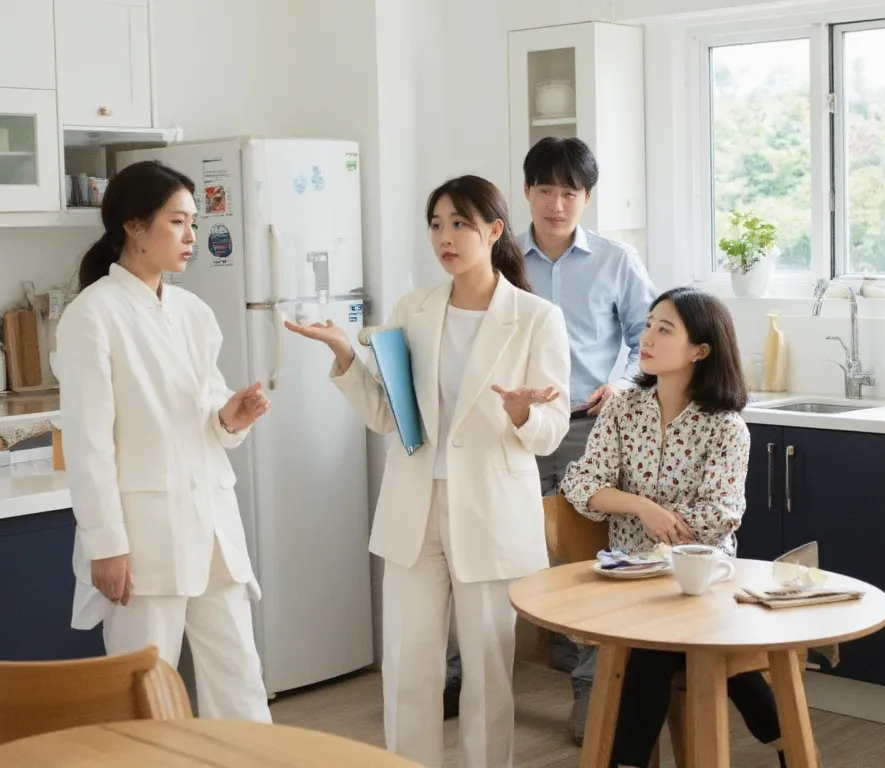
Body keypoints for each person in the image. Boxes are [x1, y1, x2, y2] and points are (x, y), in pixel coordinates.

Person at [285, 175, 571, 768]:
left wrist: (522, 412)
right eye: (436, 224)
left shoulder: (537, 318)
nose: (445, 236)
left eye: (460, 223)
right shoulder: (411, 309)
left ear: (494, 230)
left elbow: (552, 429)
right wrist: (345, 355)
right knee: (408, 668)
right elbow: (390, 416)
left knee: (489, 673)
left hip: (491, 512)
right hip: (415, 510)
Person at [443, 137, 656, 741]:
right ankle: (461, 677)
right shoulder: (499, 256)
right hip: (506, 429)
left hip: (587, 430)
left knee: (589, 560)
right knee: (485, 551)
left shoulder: (616, 260)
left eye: (570, 192)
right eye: (544, 190)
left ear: (586, 198)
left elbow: (649, 335)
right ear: (527, 193)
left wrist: (621, 383)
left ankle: (591, 688)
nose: (556, 203)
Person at [55, 159, 273, 723]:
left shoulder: (194, 313)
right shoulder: (92, 316)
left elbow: (206, 414)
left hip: (213, 529)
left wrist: (230, 417)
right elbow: (89, 445)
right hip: (144, 539)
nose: (191, 238)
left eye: (193, 224)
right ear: (134, 225)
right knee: (144, 694)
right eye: (178, 222)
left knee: (241, 677)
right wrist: (107, 544)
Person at [560, 287, 788, 768]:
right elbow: (580, 483)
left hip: (700, 586)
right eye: (648, 325)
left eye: (665, 330)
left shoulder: (725, 427)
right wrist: (643, 507)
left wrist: (641, 512)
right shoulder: (622, 410)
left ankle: (626, 761)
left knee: (654, 648)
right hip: (628, 581)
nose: (647, 338)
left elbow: (722, 513)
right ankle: (787, 742)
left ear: (699, 350)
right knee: (682, 650)